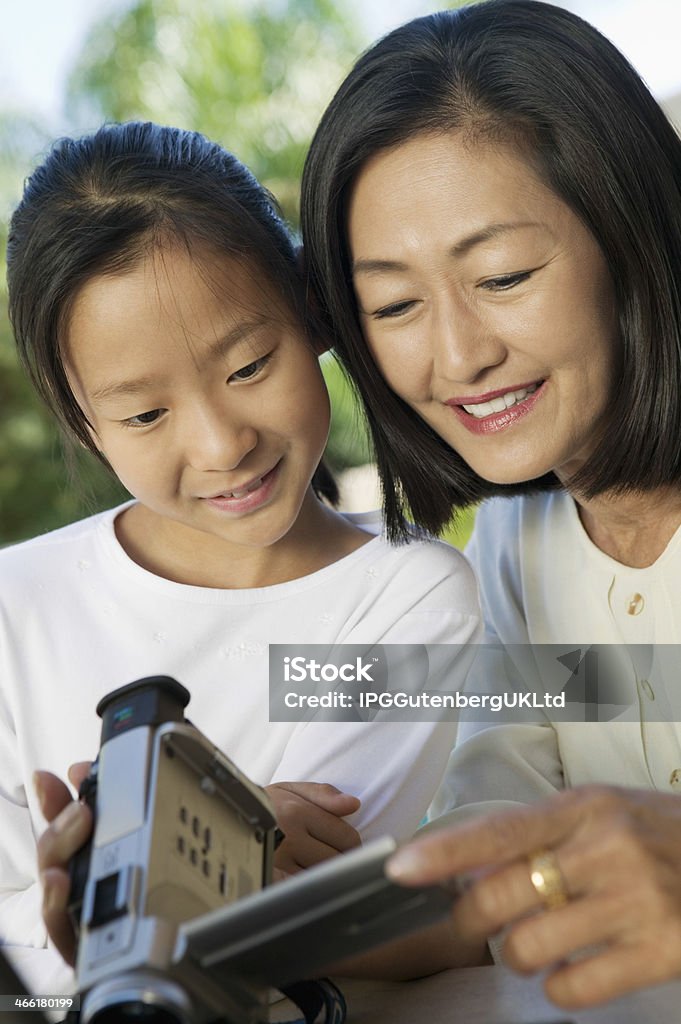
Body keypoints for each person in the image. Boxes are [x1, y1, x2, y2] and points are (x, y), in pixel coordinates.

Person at [2, 120, 482, 994]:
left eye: (250, 364)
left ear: (311, 318)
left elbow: (303, 911)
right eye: (145, 415)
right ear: (83, 423)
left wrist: (105, 870)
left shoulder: (410, 598)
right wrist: (211, 846)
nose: (221, 443)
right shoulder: (12, 604)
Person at [300, 0, 681, 1008]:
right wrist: (260, 900)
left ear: (631, 237)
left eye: (502, 275)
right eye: (393, 305)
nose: (459, 355)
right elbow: (501, 839)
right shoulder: (517, 538)